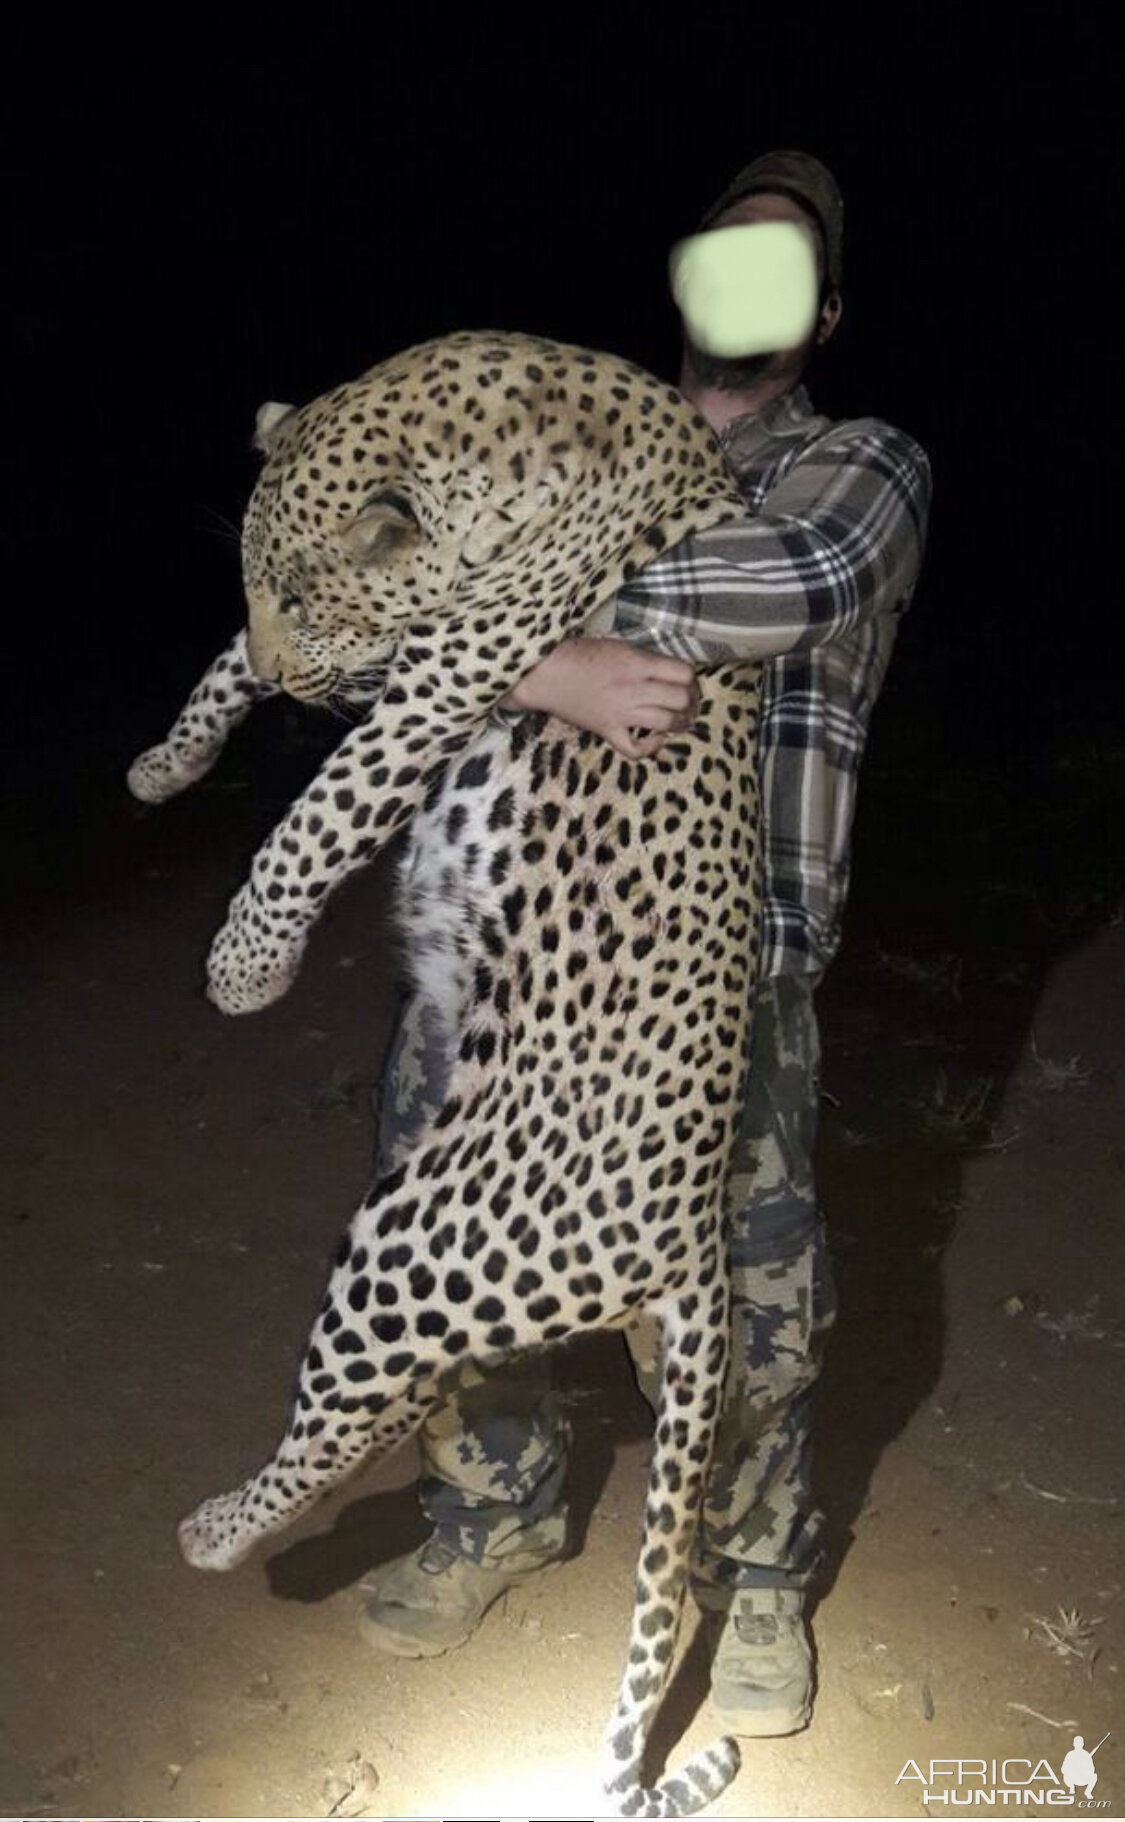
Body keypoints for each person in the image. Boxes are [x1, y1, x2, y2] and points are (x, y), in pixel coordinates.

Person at [358, 150, 933, 1737]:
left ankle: (751, 1579)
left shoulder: (863, 462)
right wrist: (548, 672)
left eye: (782, 264)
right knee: (441, 1243)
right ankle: (495, 1505)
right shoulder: (555, 443)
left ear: (823, 311)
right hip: (502, 945)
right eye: (719, 252)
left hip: (714, 957)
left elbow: (782, 586)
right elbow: (339, 631)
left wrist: (485, 611)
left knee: (743, 1292)